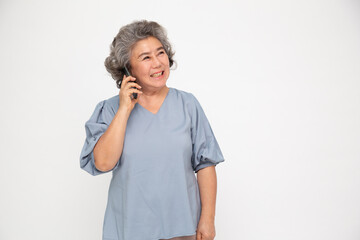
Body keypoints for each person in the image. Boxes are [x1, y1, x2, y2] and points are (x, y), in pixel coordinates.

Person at [79, 20, 225, 240]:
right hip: (130, 230)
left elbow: (205, 164)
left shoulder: (187, 105)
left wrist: (207, 219)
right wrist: (124, 109)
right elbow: (103, 163)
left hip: (183, 228)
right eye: (146, 58)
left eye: (161, 53)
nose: (158, 63)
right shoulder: (109, 110)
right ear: (127, 68)